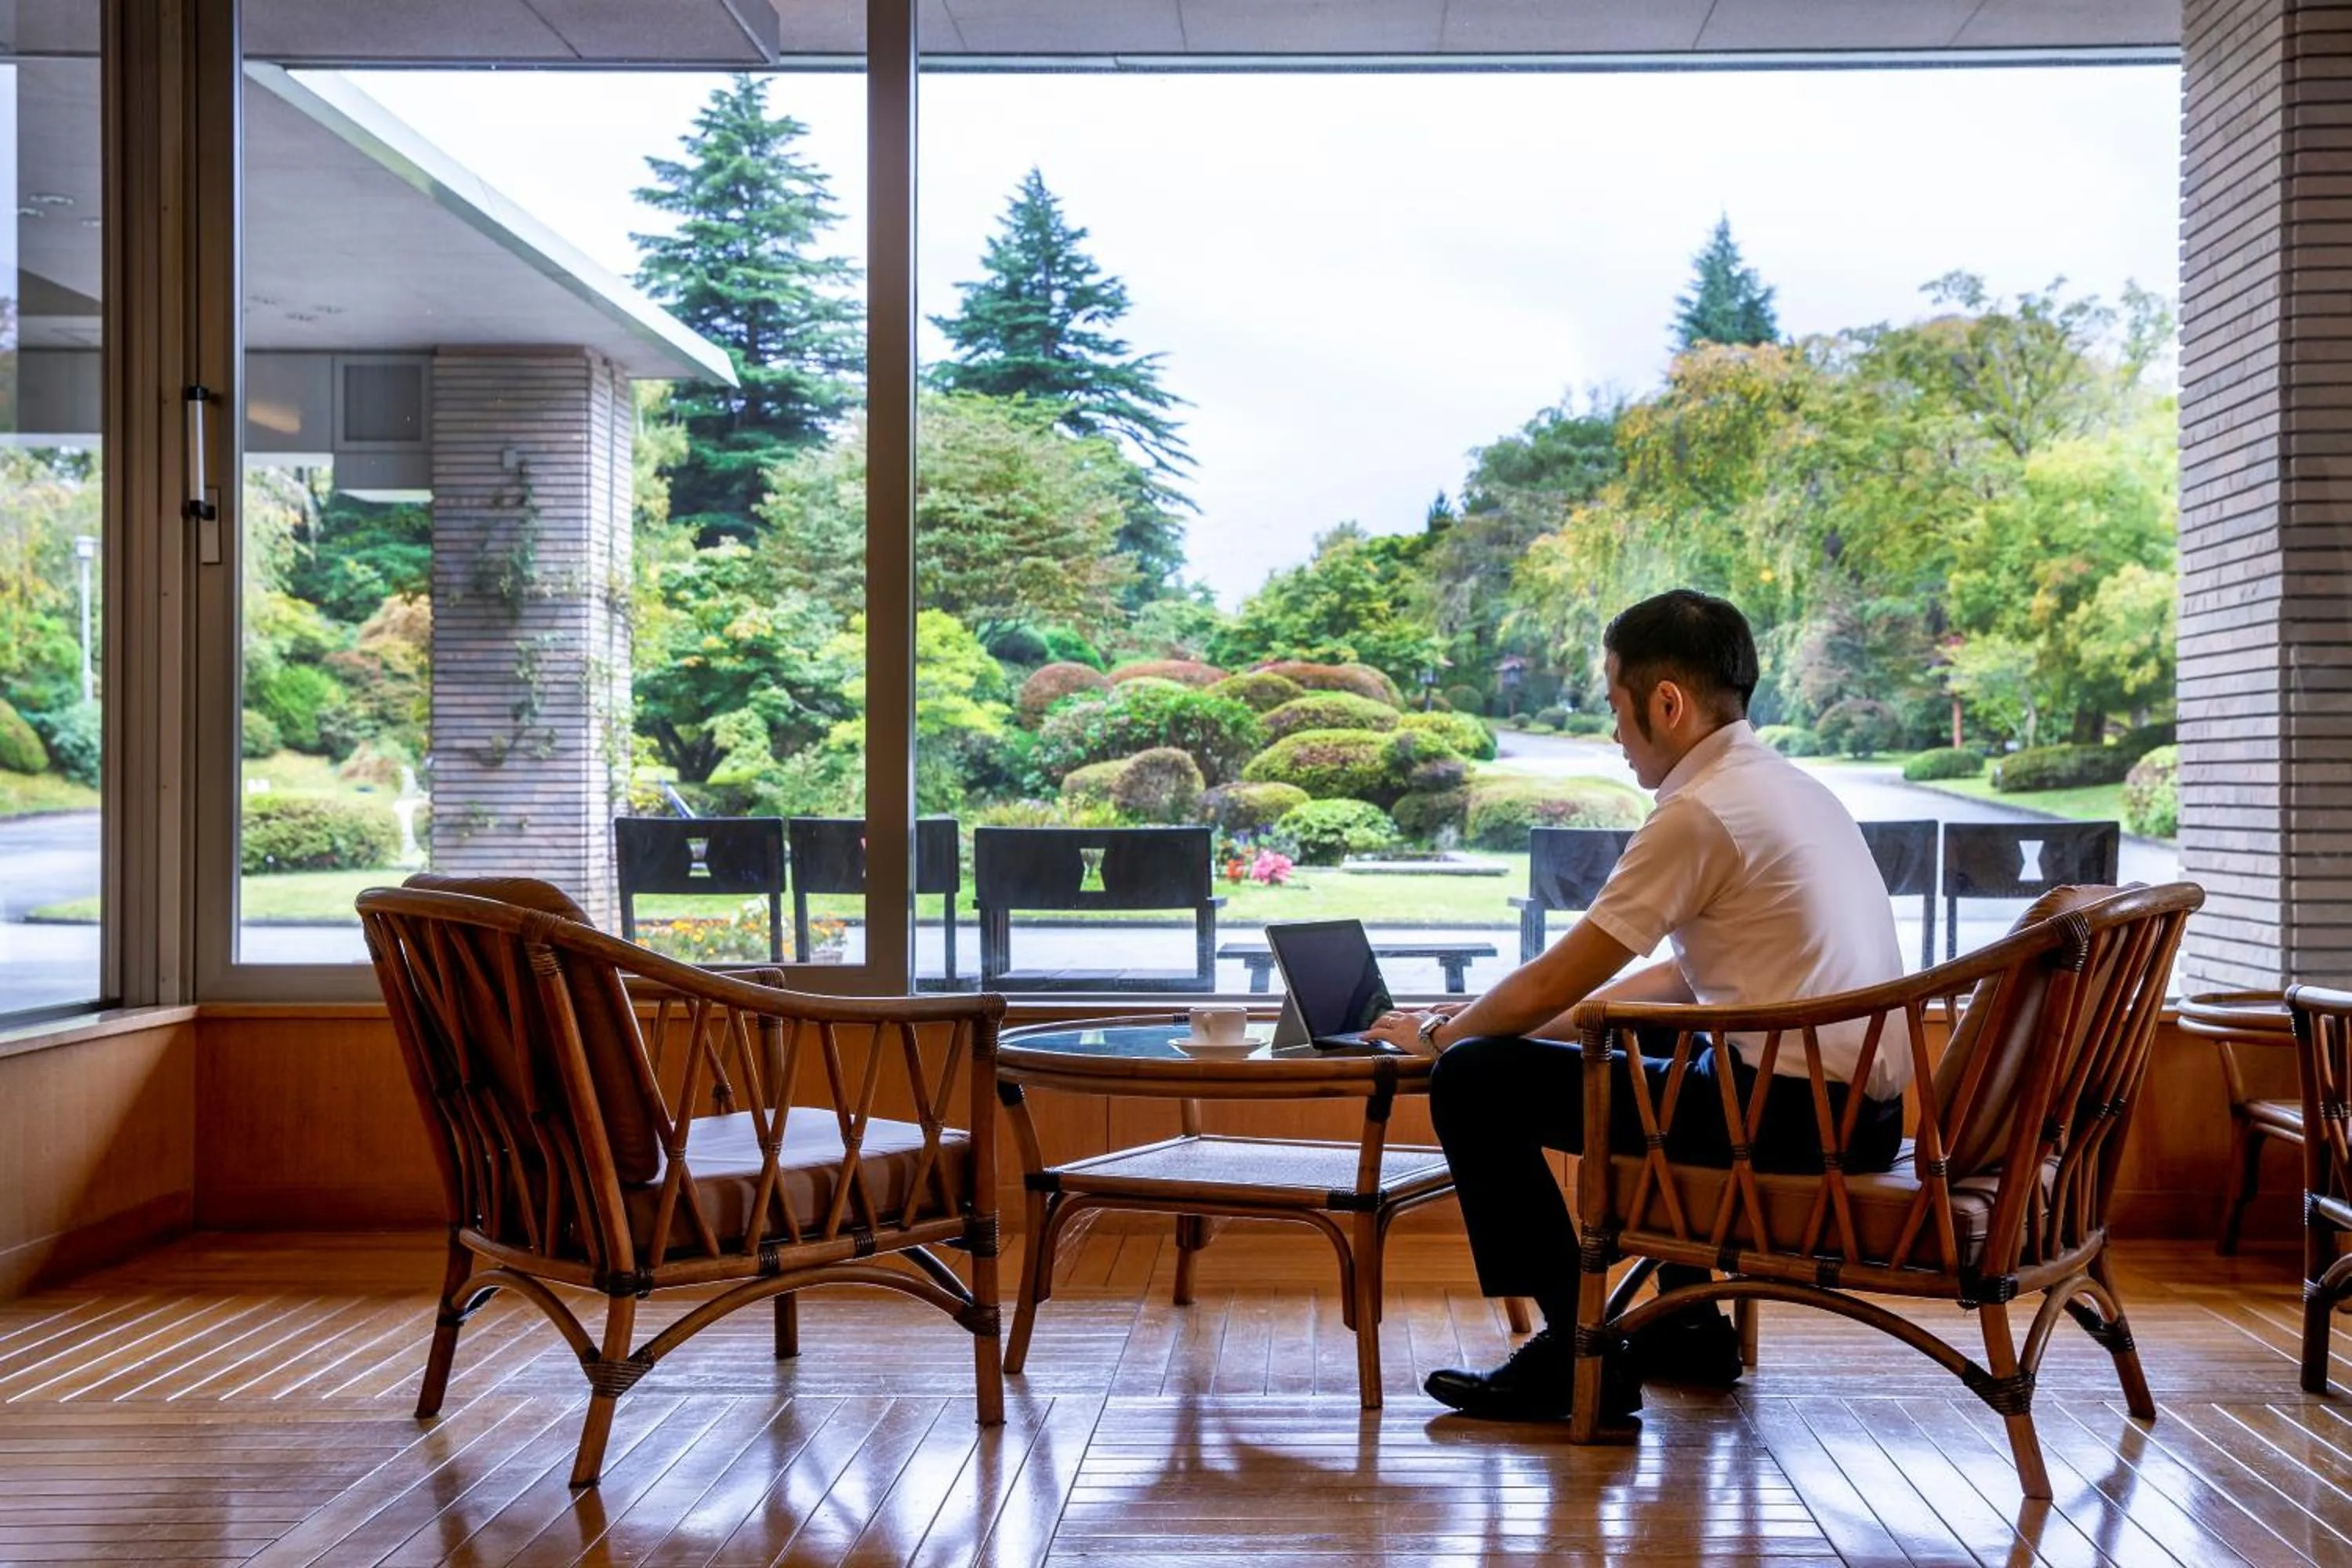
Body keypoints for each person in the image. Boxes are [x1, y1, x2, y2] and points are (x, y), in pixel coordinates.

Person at [1359, 588, 1909, 1421]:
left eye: (1617, 706)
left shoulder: (1700, 812)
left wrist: (1446, 1039)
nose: (1615, 732)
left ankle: (1578, 1354)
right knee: (1648, 1048)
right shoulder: (1788, 789)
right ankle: (1688, 1324)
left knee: (1474, 1081)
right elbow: (1664, 987)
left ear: (1667, 703)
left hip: (1790, 1119)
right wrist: (1484, 1019)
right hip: (1857, 1113)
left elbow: (1562, 974)